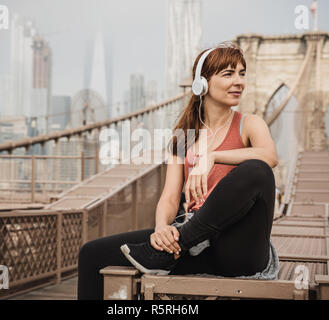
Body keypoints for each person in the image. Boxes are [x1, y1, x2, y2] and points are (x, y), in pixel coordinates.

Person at [77, 41, 278, 300]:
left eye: (242, 73)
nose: (239, 81)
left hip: (238, 248)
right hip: (198, 246)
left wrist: (212, 157)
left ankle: (172, 247)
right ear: (202, 84)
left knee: (257, 169)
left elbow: (269, 157)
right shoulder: (184, 138)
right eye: (228, 74)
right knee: (91, 253)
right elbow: (171, 197)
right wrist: (162, 228)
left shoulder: (250, 124)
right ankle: (168, 249)